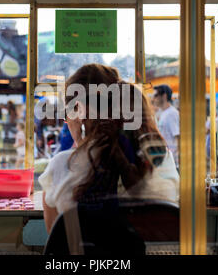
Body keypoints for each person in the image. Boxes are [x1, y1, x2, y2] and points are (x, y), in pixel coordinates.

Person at [38, 64, 179, 233]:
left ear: (80, 112)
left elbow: (57, 244)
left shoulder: (61, 166)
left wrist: (81, 145)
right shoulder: (163, 160)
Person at [151, 85, 180, 169]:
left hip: (172, 163)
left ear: (164, 96)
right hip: (165, 161)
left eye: (156, 95)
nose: (154, 98)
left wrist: (176, 161)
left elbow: (178, 138)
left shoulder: (172, 113)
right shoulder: (164, 113)